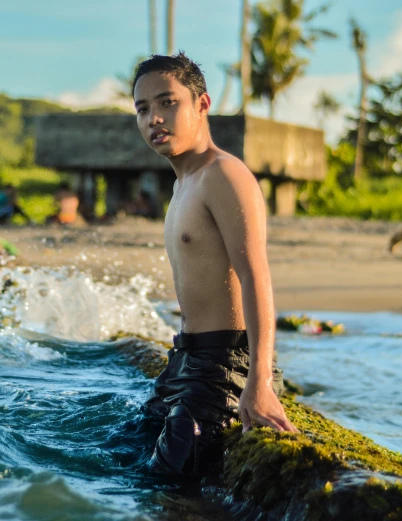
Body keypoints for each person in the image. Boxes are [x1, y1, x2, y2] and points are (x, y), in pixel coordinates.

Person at [133, 52, 297, 478]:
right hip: (186, 358)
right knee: (129, 448)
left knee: (168, 482)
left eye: (168, 102)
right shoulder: (182, 184)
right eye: (143, 108)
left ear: (202, 104)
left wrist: (257, 383)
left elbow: (255, 276)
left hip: (227, 363)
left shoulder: (224, 174)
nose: (155, 118)